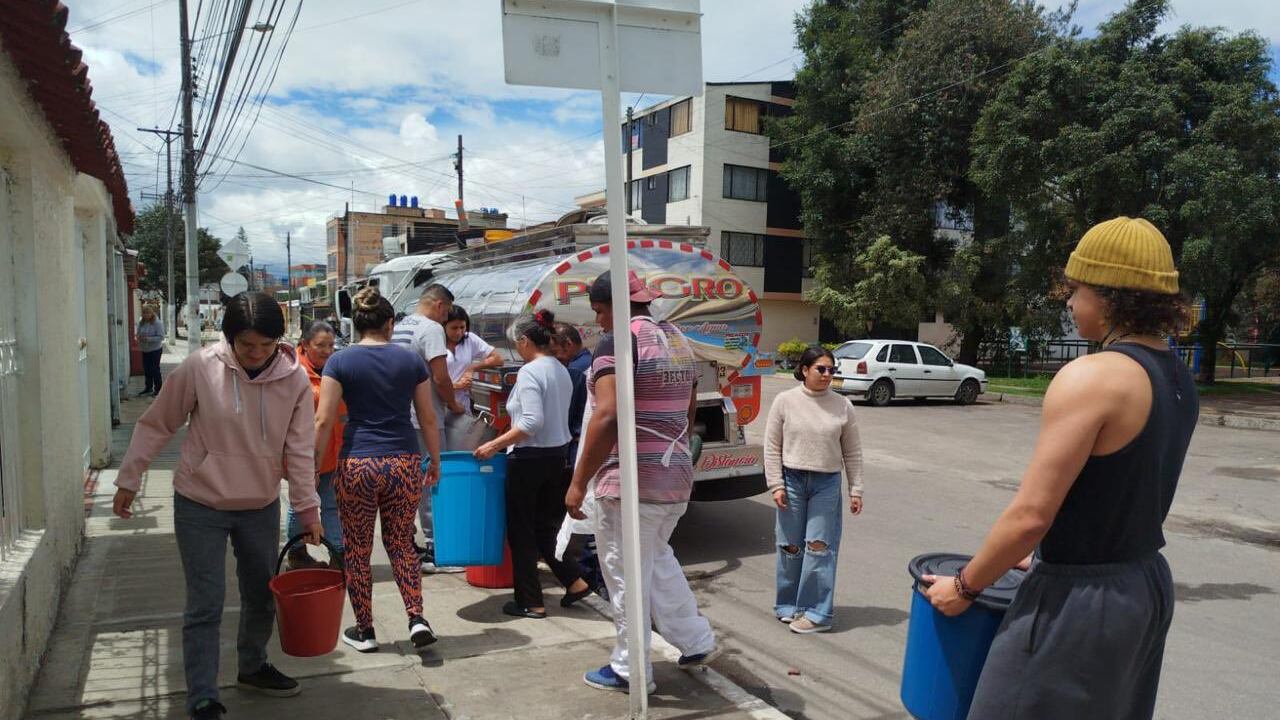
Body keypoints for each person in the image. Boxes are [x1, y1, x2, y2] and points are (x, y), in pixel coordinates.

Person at [923, 217, 1198, 720]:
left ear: (1111, 296)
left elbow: (1030, 514)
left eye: (1076, 289)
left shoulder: (1093, 377)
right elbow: (1119, 493)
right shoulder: (1177, 374)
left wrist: (963, 587)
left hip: (1079, 604)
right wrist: (1051, 554)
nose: (1069, 303)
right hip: (1143, 587)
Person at [112, 291, 321, 720]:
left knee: (262, 595)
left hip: (260, 504)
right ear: (229, 339)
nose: (256, 355)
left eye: (266, 345)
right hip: (200, 502)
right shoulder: (200, 368)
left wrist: (308, 509)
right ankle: (203, 694)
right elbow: (158, 423)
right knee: (205, 602)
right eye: (247, 346)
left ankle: (252, 666)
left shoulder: (295, 379)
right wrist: (129, 478)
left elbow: (300, 450)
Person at [565, 270, 717, 694]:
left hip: (631, 484)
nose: (598, 322)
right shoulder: (676, 339)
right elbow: (689, 411)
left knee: (624, 574)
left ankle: (630, 670)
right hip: (674, 478)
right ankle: (696, 640)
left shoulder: (618, 341)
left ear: (612, 305)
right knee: (657, 562)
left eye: (598, 311)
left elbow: (608, 415)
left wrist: (578, 483)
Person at [315, 287, 443, 653]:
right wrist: (434, 460)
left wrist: (310, 469)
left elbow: (323, 421)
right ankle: (417, 617)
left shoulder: (340, 362)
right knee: (402, 543)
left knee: (357, 548)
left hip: (358, 461)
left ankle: (365, 629)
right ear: (390, 324)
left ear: (356, 325)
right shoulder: (411, 362)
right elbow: (428, 419)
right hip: (402, 462)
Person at [474, 310, 593, 618]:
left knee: (522, 532)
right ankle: (575, 581)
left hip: (528, 458)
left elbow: (530, 421)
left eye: (517, 343)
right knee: (545, 529)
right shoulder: (560, 368)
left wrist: (493, 444)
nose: (517, 349)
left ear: (525, 340)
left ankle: (530, 601)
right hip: (556, 456)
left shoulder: (530, 372)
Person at [765, 345, 863, 634]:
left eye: (831, 370)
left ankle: (818, 614)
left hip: (826, 483)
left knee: (819, 547)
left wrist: (856, 490)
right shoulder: (785, 401)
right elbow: (772, 447)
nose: (827, 374)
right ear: (805, 370)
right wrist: (776, 484)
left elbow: (853, 452)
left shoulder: (843, 405)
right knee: (790, 547)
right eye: (821, 369)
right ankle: (788, 605)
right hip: (791, 480)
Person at [392, 283, 465, 573]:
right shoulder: (431, 328)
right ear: (439, 305)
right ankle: (438, 550)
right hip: (425, 419)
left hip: (400, 417)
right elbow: (440, 377)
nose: (445, 318)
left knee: (408, 483)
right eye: (446, 312)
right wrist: (454, 404)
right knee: (433, 480)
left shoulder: (400, 326)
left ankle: (407, 545)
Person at [284, 321, 346, 570]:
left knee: (331, 504)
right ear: (305, 344)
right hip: (302, 455)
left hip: (334, 453)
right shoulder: (291, 373)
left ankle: (338, 554)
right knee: (301, 504)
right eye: (320, 345)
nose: (326, 350)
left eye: (331, 345)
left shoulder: (337, 369)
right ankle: (296, 553)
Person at [551, 321, 605, 598]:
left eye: (556, 351)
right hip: (595, 448)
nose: (554, 358)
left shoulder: (574, 371)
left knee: (580, 517)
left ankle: (589, 577)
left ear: (569, 345)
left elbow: (566, 415)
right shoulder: (592, 363)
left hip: (577, 447)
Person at [443, 305, 503, 415]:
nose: (459, 332)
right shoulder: (434, 342)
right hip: (440, 406)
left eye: (462, 327)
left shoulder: (469, 339)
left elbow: (497, 358)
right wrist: (456, 385)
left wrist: (473, 367)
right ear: (444, 326)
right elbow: (430, 382)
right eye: (454, 328)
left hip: (462, 406)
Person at [136, 304, 166, 396]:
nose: (146, 315)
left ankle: (158, 389)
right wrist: (138, 337)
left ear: (152, 313)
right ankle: (148, 387)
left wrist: (149, 339)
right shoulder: (142, 322)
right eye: (144, 313)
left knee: (155, 369)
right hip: (145, 349)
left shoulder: (157, 323)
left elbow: (161, 337)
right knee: (147, 369)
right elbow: (138, 332)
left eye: (148, 313)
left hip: (155, 350)